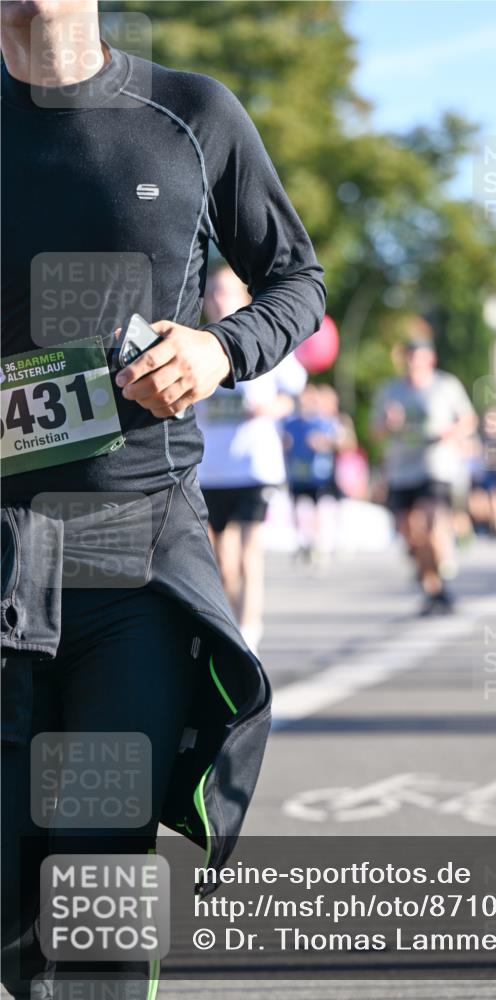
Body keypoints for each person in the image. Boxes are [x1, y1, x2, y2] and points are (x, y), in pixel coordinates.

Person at [0, 3, 325, 997]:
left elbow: (296, 282)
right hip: (5, 562)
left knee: (99, 889)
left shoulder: (191, 114)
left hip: (133, 563)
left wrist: (219, 348)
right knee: (14, 914)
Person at [196, 265, 307, 653]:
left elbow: (295, 395)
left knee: (248, 554)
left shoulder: (262, 340)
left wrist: (271, 408)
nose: (216, 298)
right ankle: (232, 627)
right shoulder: (193, 345)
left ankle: (249, 635)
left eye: (224, 291)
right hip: (210, 471)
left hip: (255, 468)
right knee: (221, 565)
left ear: (244, 298)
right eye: (211, 292)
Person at [372, 325, 477, 615]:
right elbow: (375, 433)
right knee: (411, 533)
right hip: (401, 469)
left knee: (430, 525)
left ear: (430, 359)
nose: (413, 363)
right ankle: (435, 589)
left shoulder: (446, 385)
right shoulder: (389, 390)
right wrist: (388, 425)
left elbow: (469, 419)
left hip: (435, 465)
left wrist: (451, 432)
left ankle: (440, 570)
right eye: (409, 357)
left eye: (419, 357)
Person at [283, 383, 341, 563]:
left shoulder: (326, 422)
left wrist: (324, 442)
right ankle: (303, 542)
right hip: (297, 474)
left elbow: (342, 441)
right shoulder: (291, 423)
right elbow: (283, 442)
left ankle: (319, 544)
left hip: (320, 475)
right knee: (298, 509)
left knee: (320, 510)